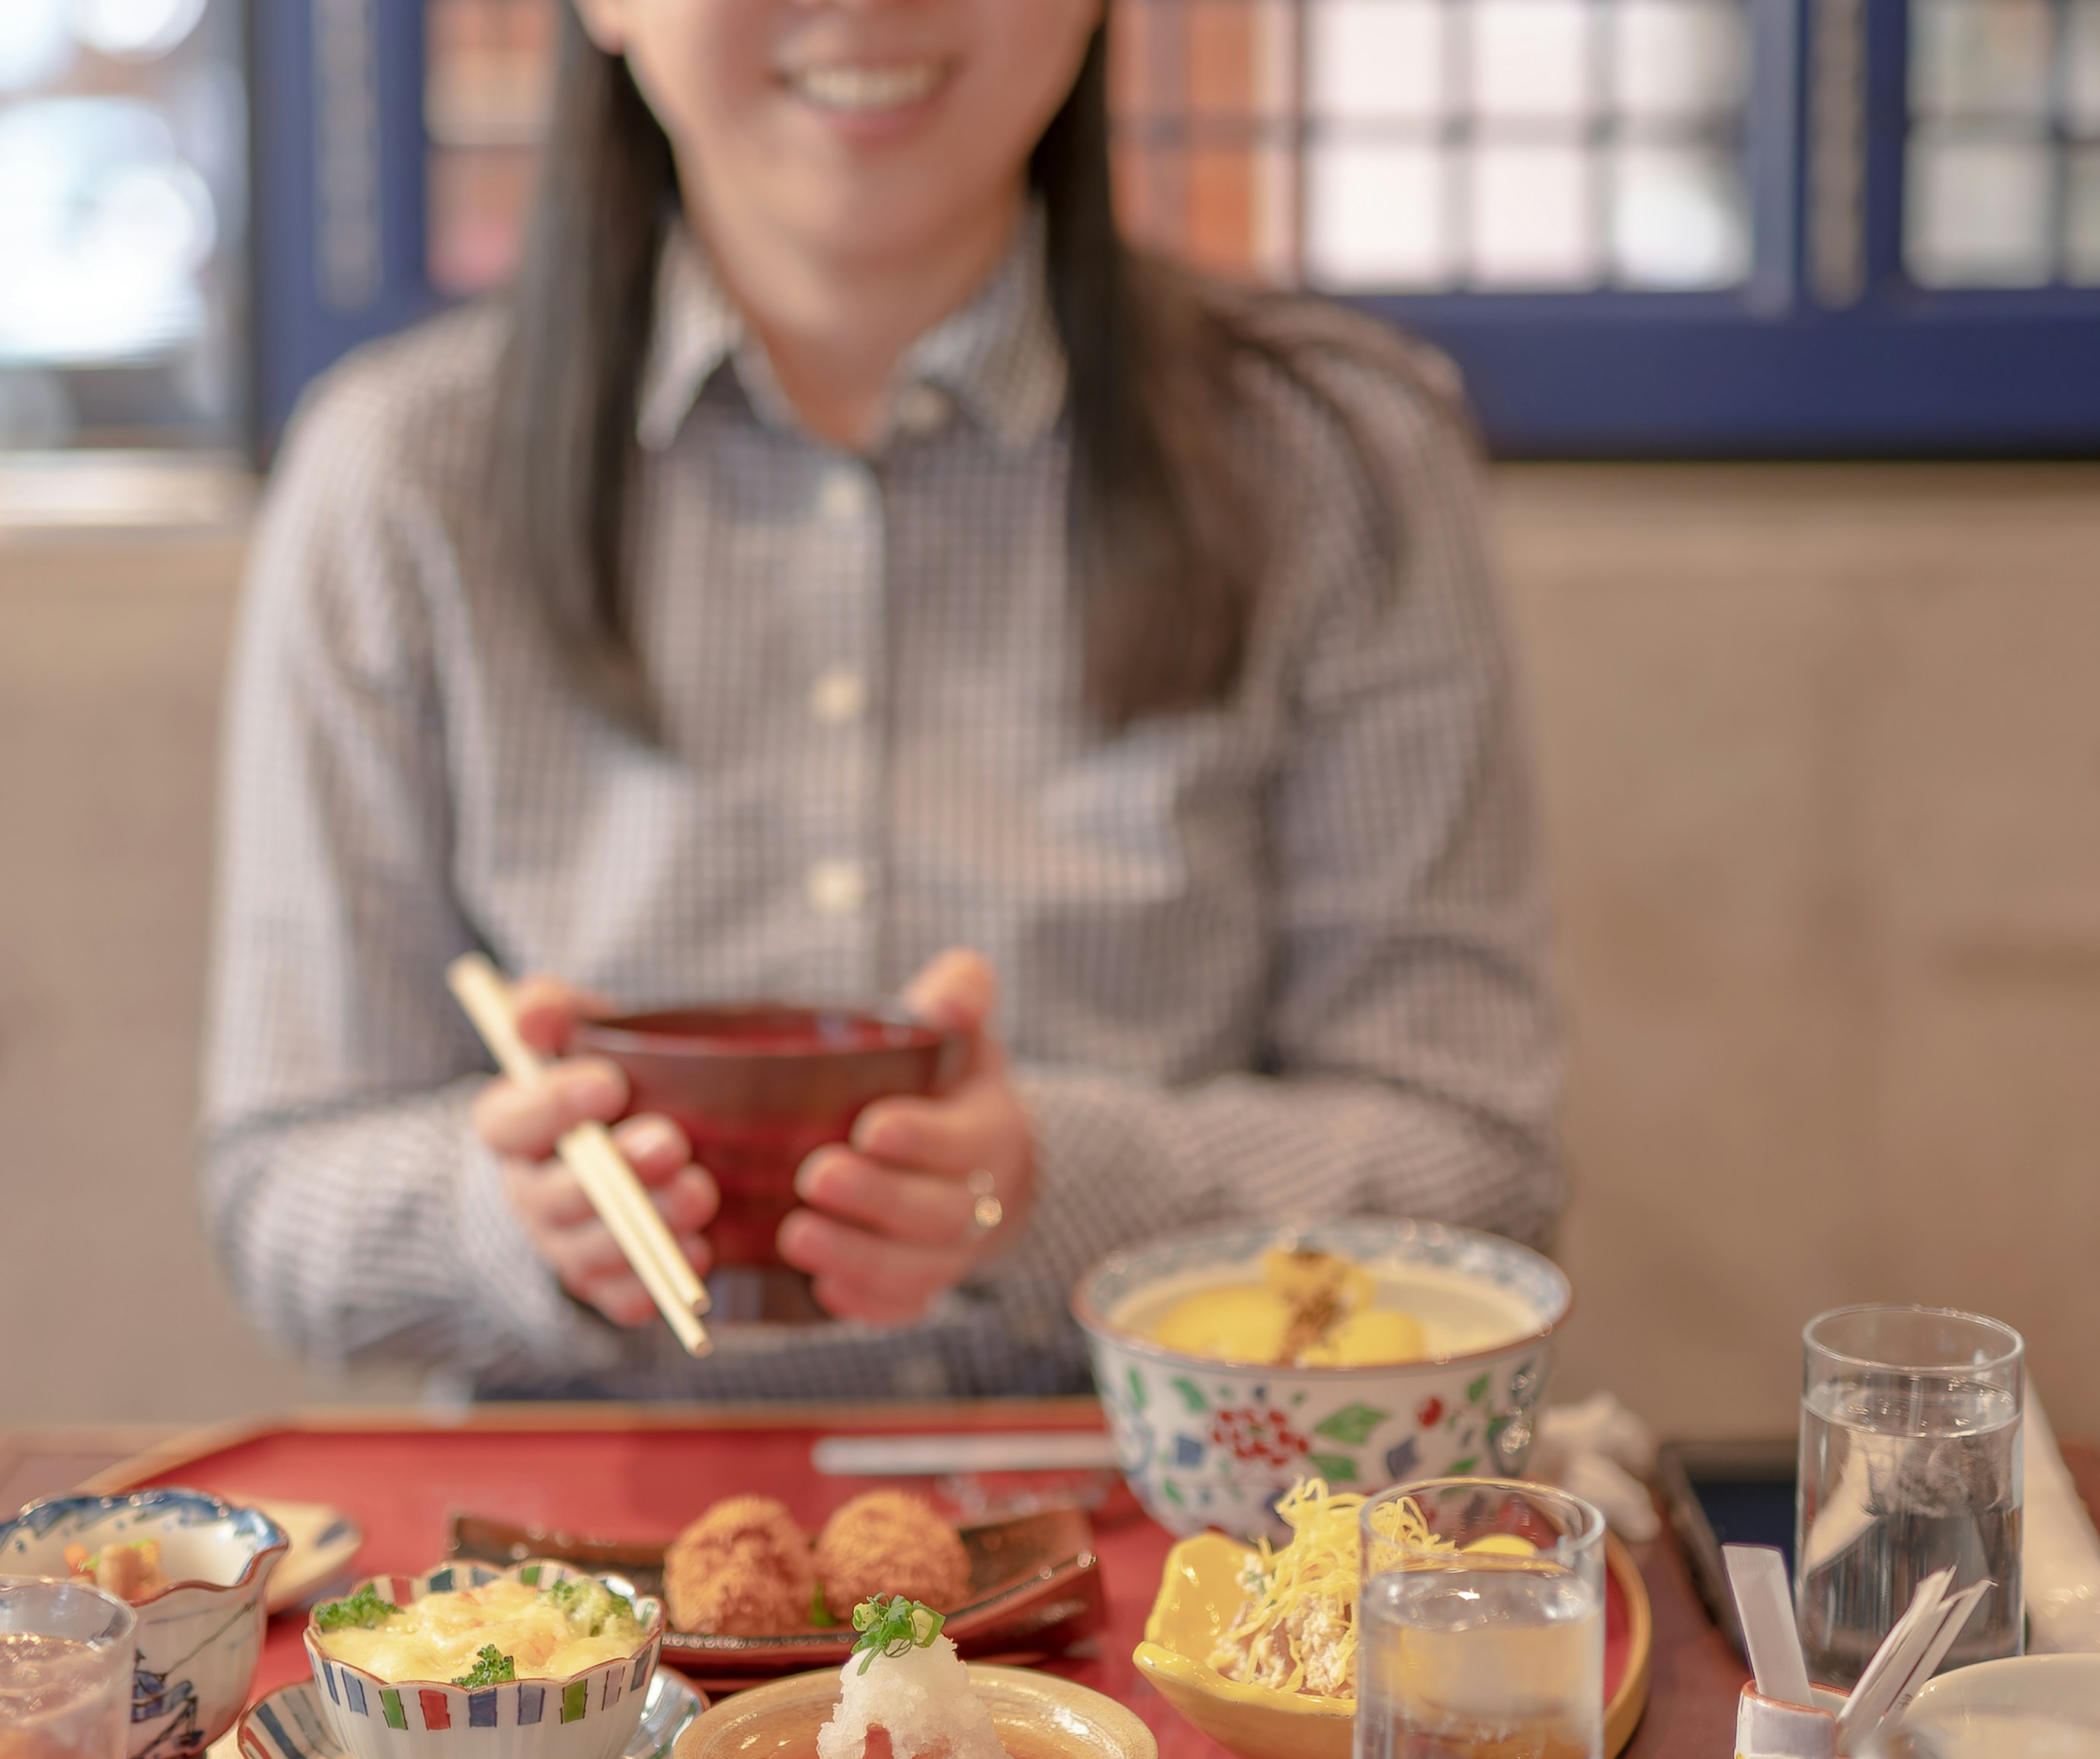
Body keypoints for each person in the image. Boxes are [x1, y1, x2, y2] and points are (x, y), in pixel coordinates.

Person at [199, 0, 1565, 1402]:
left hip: (1165, 1555)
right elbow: (282, 1193)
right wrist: (518, 1228)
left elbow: (1477, 1177)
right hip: (578, 1595)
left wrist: (1053, 1185)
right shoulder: (401, 475)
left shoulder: (1340, 461)